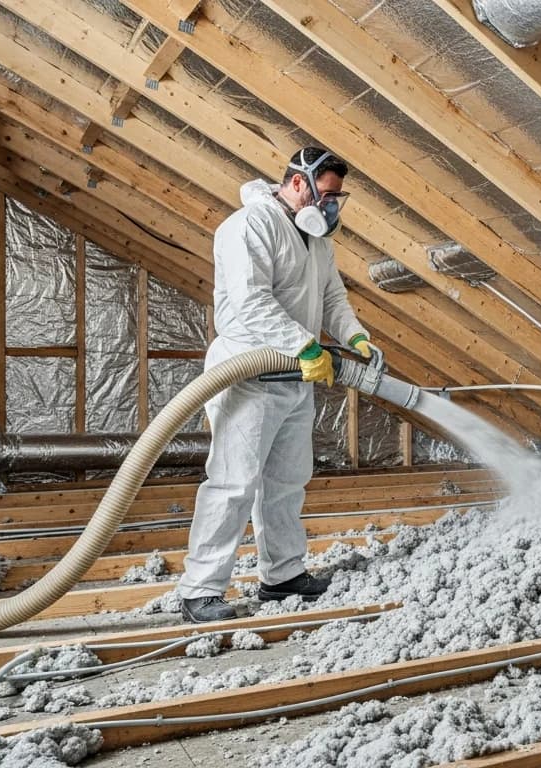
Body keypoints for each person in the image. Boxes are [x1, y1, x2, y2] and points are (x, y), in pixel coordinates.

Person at [177, 147, 378, 623]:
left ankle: (283, 575)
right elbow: (250, 302)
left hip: (294, 378)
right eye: (326, 195)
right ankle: (200, 590)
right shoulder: (249, 226)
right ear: (296, 184)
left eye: (337, 198)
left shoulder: (317, 240)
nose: (331, 206)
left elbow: (332, 297)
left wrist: (355, 336)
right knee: (232, 483)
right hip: (248, 375)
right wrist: (305, 346)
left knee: (286, 483)